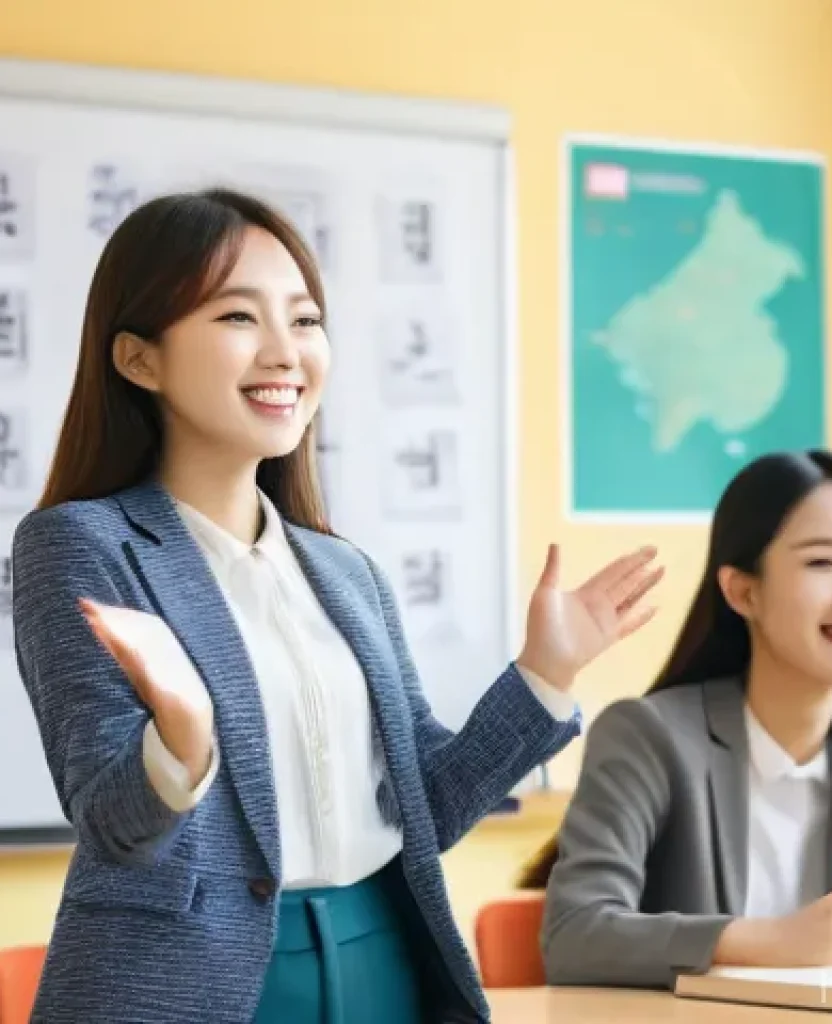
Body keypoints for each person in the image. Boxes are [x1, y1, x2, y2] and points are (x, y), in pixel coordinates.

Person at [11, 188, 664, 1024]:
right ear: (140, 360)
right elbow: (112, 820)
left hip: (381, 955)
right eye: (239, 319)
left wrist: (546, 672)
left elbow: (423, 806)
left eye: (306, 321)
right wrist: (179, 742)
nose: (286, 353)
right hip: (192, 984)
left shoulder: (343, 572)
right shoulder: (81, 544)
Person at [521, 449, 832, 991]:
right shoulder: (649, 737)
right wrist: (773, 940)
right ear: (744, 591)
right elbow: (575, 934)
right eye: (821, 563)